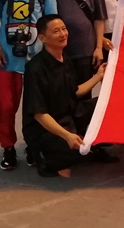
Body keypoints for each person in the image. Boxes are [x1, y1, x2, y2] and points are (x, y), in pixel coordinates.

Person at [0, 0, 57, 171]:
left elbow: (51, 21)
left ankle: (33, 145)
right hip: (7, 59)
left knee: (36, 107)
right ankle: (8, 147)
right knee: (6, 107)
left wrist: (49, 55)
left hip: (36, 60)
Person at [23, 14, 117, 177]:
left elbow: (76, 91)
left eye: (64, 29)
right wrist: (67, 136)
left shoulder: (65, 58)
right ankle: (42, 156)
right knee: (76, 150)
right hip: (44, 128)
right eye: (56, 31)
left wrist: (98, 76)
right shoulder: (35, 68)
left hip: (69, 114)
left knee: (108, 106)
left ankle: (86, 145)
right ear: (42, 38)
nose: (63, 34)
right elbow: (39, 114)